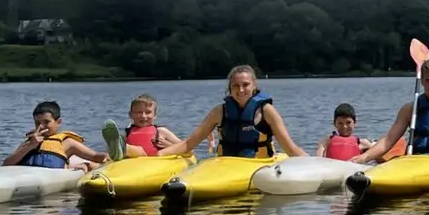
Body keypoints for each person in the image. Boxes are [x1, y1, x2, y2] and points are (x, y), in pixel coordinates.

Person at [164, 65, 307, 159]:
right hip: (226, 165)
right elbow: (189, 143)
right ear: (230, 87)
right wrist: (157, 155)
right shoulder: (219, 111)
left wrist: (316, 164)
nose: (241, 90)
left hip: (259, 165)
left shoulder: (267, 111)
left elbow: (290, 148)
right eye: (235, 86)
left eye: (245, 85)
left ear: (254, 85)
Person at [355, 57, 429, 163]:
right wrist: (363, 158)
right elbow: (388, 141)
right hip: (417, 161)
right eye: (428, 81)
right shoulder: (410, 109)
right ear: (421, 81)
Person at [4, 100, 108, 170]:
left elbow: (94, 156)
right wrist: (30, 146)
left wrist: (109, 157)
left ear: (58, 122)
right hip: (26, 178)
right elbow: (6, 164)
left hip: (52, 178)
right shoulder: (28, 142)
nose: (42, 126)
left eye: (46, 122)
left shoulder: (67, 143)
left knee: (91, 164)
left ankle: (86, 166)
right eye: (37, 123)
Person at [103, 93, 184, 159]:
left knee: (139, 151)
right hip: (133, 164)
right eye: (138, 112)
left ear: (155, 115)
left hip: (154, 162)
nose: (143, 116)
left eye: (148, 112)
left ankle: (123, 148)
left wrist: (169, 146)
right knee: (131, 149)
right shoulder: (127, 132)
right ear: (131, 115)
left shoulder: (161, 131)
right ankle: (120, 148)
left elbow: (186, 148)